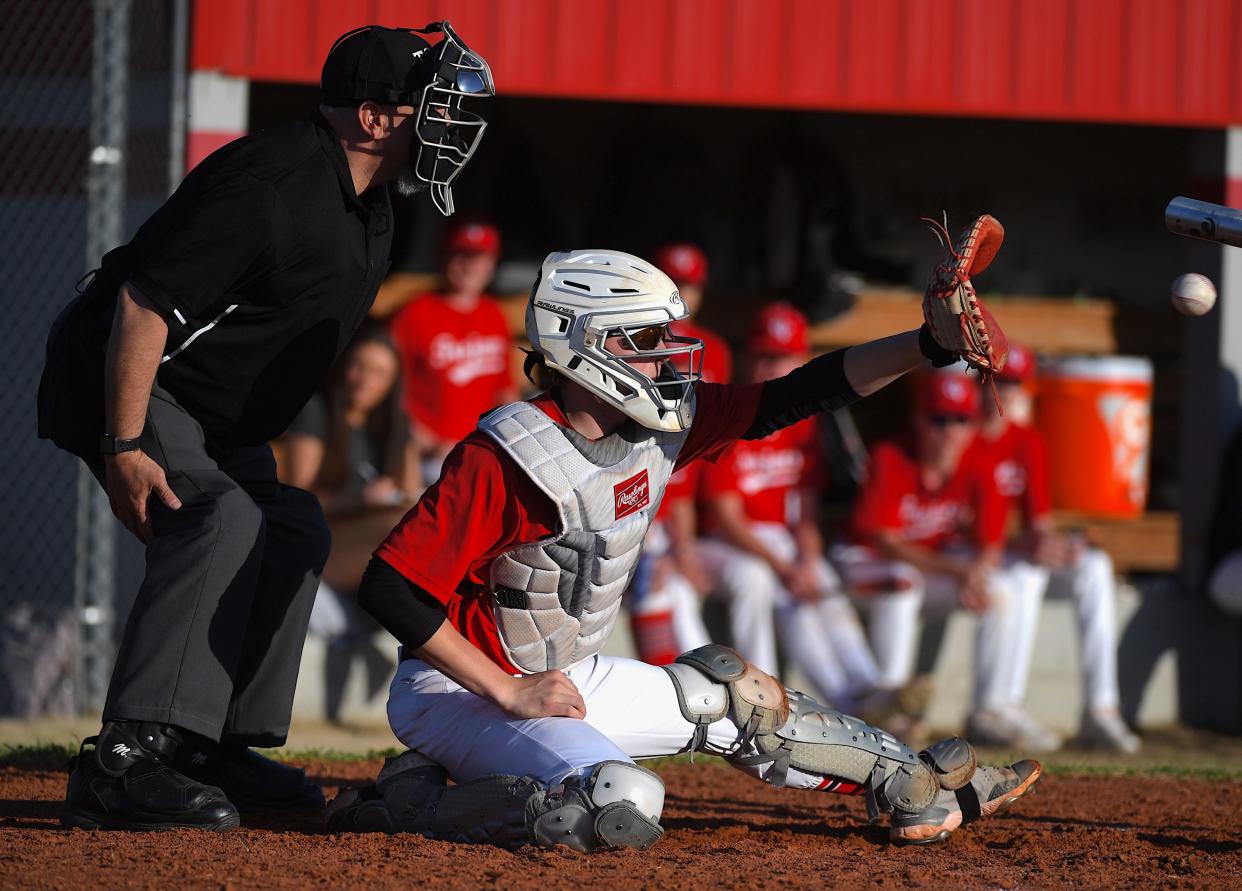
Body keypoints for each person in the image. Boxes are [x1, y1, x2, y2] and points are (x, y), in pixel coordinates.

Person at [326, 249, 1040, 851]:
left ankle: (914, 784)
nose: (667, 353)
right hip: (460, 694)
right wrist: (509, 690)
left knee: (733, 694)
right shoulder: (507, 453)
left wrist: (925, 345)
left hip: (560, 672)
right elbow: (390, 583)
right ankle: (410, 803)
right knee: (618, 798)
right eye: (643, 338)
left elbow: (795, 395)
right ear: (584, 343)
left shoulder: (657, 424)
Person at [36, 22, 494, 831]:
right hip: (136, 380)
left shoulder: (374, 204)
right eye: (432, 103)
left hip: (213, 411)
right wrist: (124, 446)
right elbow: (143, 305)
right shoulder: (271, 184)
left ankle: (211, 747)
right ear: (376, 117)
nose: (450, 123)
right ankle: (127, 756)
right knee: (224, 519)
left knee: (293, 528)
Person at [833, 369, 1060, 752]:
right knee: (904, 582)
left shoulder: (979, 461)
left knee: (998, 590)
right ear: (919, 420)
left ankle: (990, 710)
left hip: (925, 569)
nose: (950, 431)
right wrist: (959, 571)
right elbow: (885, 542)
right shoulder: (892, 455)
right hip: (861, 564)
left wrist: (977, 575)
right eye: (939, 419)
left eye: (960, 420)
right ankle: (893, 711)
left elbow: (990, 542)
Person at [697, 303, 899, 719]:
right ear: (749, 356)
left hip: (780, 542)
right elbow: (727, 517)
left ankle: (867, 688)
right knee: (785, 589)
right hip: (727, 542)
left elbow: (804, 511)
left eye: (782, 356)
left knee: (820, 578)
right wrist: (787, 566)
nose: (770, 365)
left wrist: (807, 556)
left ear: (800, 360)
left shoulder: (802, 424)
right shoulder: (728, 412)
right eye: (764, 354)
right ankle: (815, 700)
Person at [975, 344, 1140, 753]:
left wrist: (1055, 543)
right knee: (1026, 572)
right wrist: (1026, 544)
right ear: (981, 381)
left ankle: (1101, 708)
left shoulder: (1027, 441)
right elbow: (952, 521)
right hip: (974, 556)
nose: (1007, 392)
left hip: (1006, 551)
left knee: (1093, 566)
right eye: (1000, 381)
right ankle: (1000, 705)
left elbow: (1038, 522)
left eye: (1015, 383)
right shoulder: (961, 432)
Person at [282, 324, 419, 724]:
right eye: (360, 367)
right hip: (326, 541)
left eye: (378, 373)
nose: (365, 380)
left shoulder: (396, 427)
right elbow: (298, 499)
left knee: (410, 527)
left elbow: (411, 499)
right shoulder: (317, 412)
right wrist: (358, 499)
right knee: (396, 530)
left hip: (372, 554)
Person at [389, 217, 517, 482]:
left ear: (492, 263)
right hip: (429, 455)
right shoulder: (414, 314)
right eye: (460, 255)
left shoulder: (494, 314)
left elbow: (506, 391)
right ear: (443, 257)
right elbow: (389, 392)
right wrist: (423, 440)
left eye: (478, 257)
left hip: (487, 450)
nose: (469, 265)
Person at [653, 243, 733, 384]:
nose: (678, 294)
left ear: (701, 291)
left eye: (688, 286)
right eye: (672, 283)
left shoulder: (715, 349)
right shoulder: (634, 337)